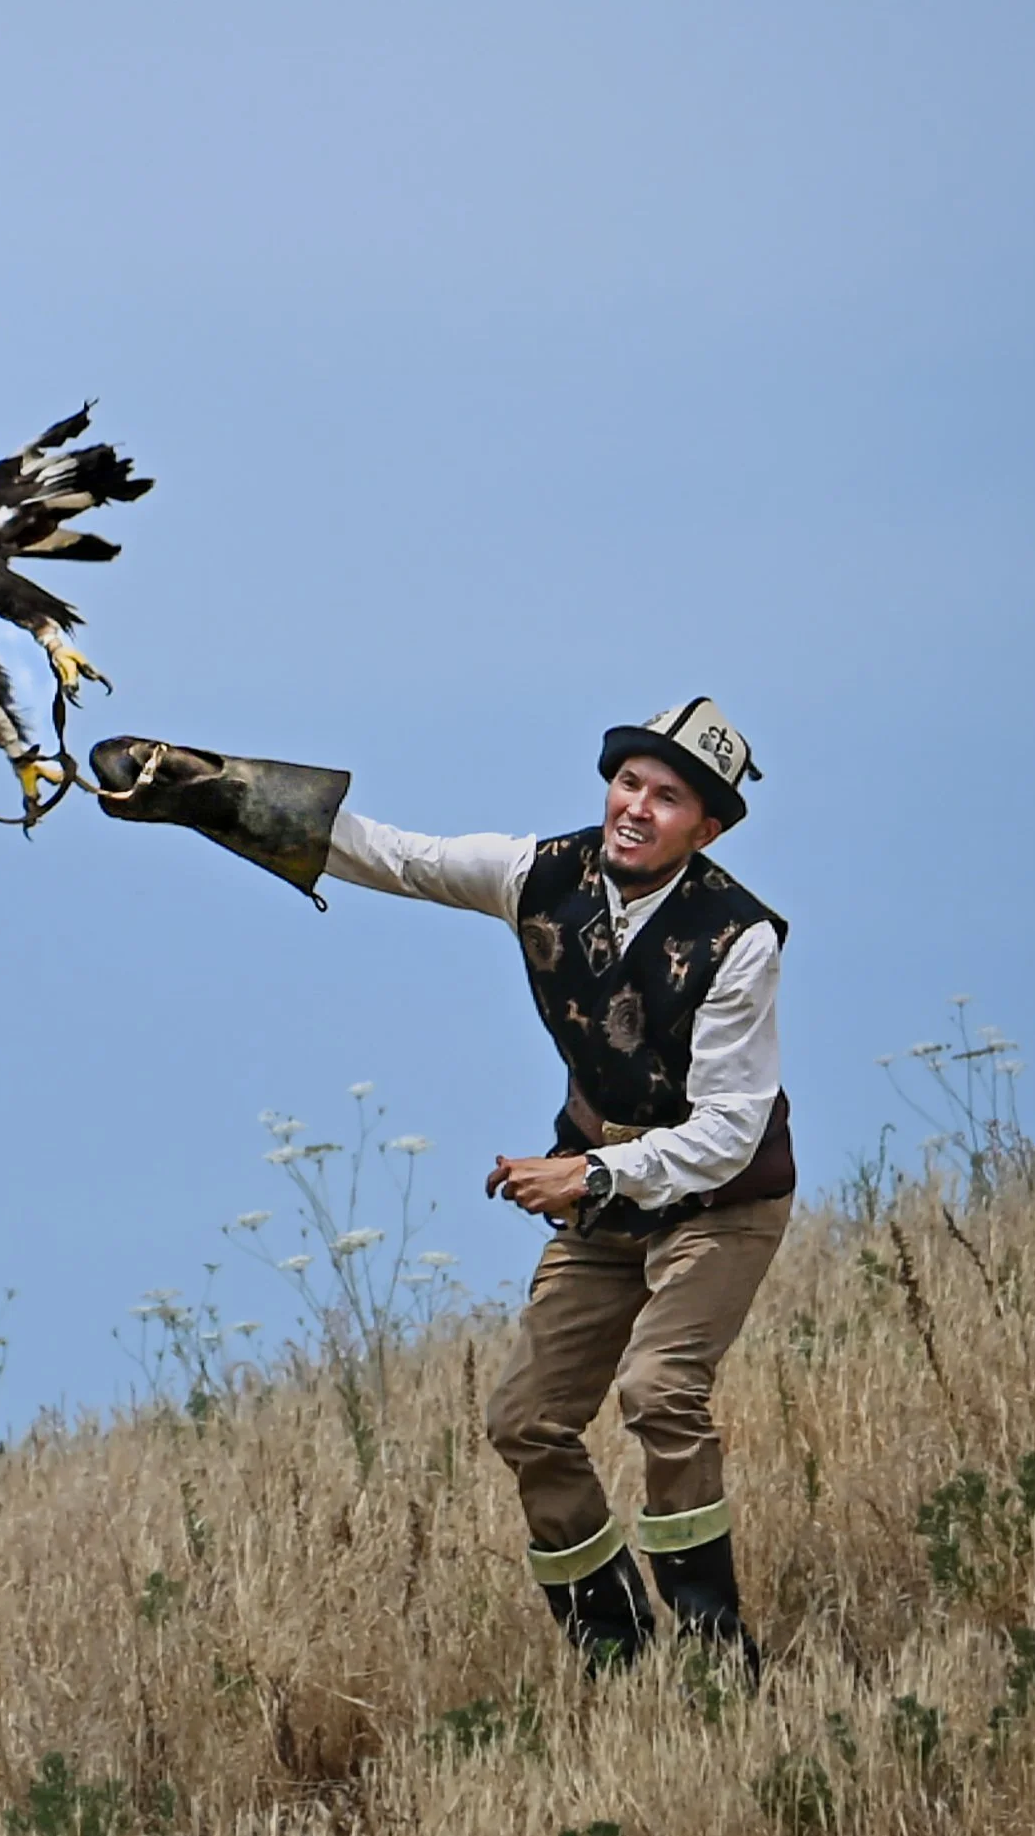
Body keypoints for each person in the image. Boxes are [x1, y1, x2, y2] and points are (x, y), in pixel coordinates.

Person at [92, 699, 790, 1679]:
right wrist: (223, 794)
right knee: (525, 1422)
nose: (636, 806)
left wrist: (590, 1170)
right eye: (628, 781)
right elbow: (398, 857)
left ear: (704, 830)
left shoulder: (739, 939)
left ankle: (716, 1658)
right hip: (597, 1200)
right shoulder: (536, 872)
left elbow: (727, 1133)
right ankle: (616, 1657)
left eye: (667, 797)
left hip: (719, 1203)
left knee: (658, 1390)